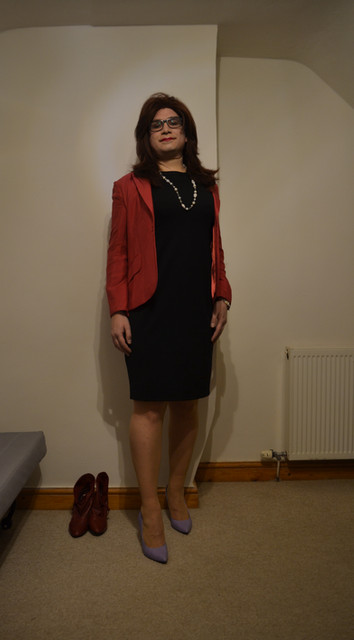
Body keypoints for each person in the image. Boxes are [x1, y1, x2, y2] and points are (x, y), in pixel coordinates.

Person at [106, 93, 232, 563]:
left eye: (173, 121)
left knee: (187, 405)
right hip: (148, 308)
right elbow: (118, 252)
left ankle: (177, 491)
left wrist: (222, 295)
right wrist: (118, 309)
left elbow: (216, 247)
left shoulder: (207, 187)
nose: (165, 128)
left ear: (186, 131)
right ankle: (149, 509)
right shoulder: (129, 186)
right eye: (156, 123)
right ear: (146, 135)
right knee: (148, 409)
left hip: (196, 310)